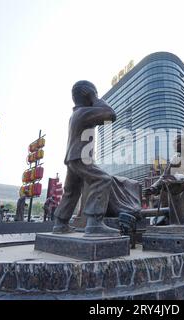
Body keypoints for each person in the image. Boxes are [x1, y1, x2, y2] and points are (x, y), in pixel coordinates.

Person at [53, 81, 120, 236]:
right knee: (103, 179)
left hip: (72, 157)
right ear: (88, 94)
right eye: (94, 93)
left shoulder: (76, 114)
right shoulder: (83, 112)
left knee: (72, 190)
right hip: (80, 156)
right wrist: (94, 97)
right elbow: (110, 114)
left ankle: (60, 223)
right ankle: (95, 224)